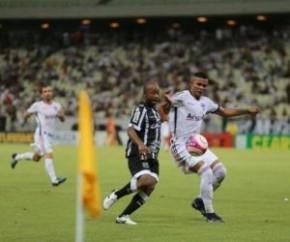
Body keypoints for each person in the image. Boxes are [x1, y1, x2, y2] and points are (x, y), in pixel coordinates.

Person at [159, 72, 261, 222]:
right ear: (191, 84)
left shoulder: (206, 102)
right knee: (206, 172)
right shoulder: (182, 96)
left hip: (195, 144)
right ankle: (210, 214)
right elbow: (162, 108)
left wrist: (247, 111)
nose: (201, 87)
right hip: (180, 145)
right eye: (198, 84)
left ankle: (200, 201)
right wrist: (167, 108)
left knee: (220, 172)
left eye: (204, 85)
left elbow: (224, 111)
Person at [103, 81, 163, 225]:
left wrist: (169, 104)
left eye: (157, 93)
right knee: (146, 180)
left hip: (152, 154)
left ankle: (123, 216)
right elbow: (130, 129)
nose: (156, 95)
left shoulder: (155, 111)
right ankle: (116, 194)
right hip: (139, 151)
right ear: (144, 95)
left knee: (150, 186)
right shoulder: (140, 110)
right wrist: (141, 144)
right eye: (152, 93)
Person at [10, 84, 67, 187]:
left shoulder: (57, 105)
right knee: (49, 153)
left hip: (50, 136)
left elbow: (62, 120)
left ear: (52, 93)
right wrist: (26, 115)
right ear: (41, 94)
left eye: (49, 91)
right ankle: (54, 180)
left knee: (36, 158)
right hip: (41, 134)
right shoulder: (37, 105)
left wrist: (61, 116)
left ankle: (17, 157)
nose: (47, 93)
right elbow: (26, 114)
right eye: (45, 91)